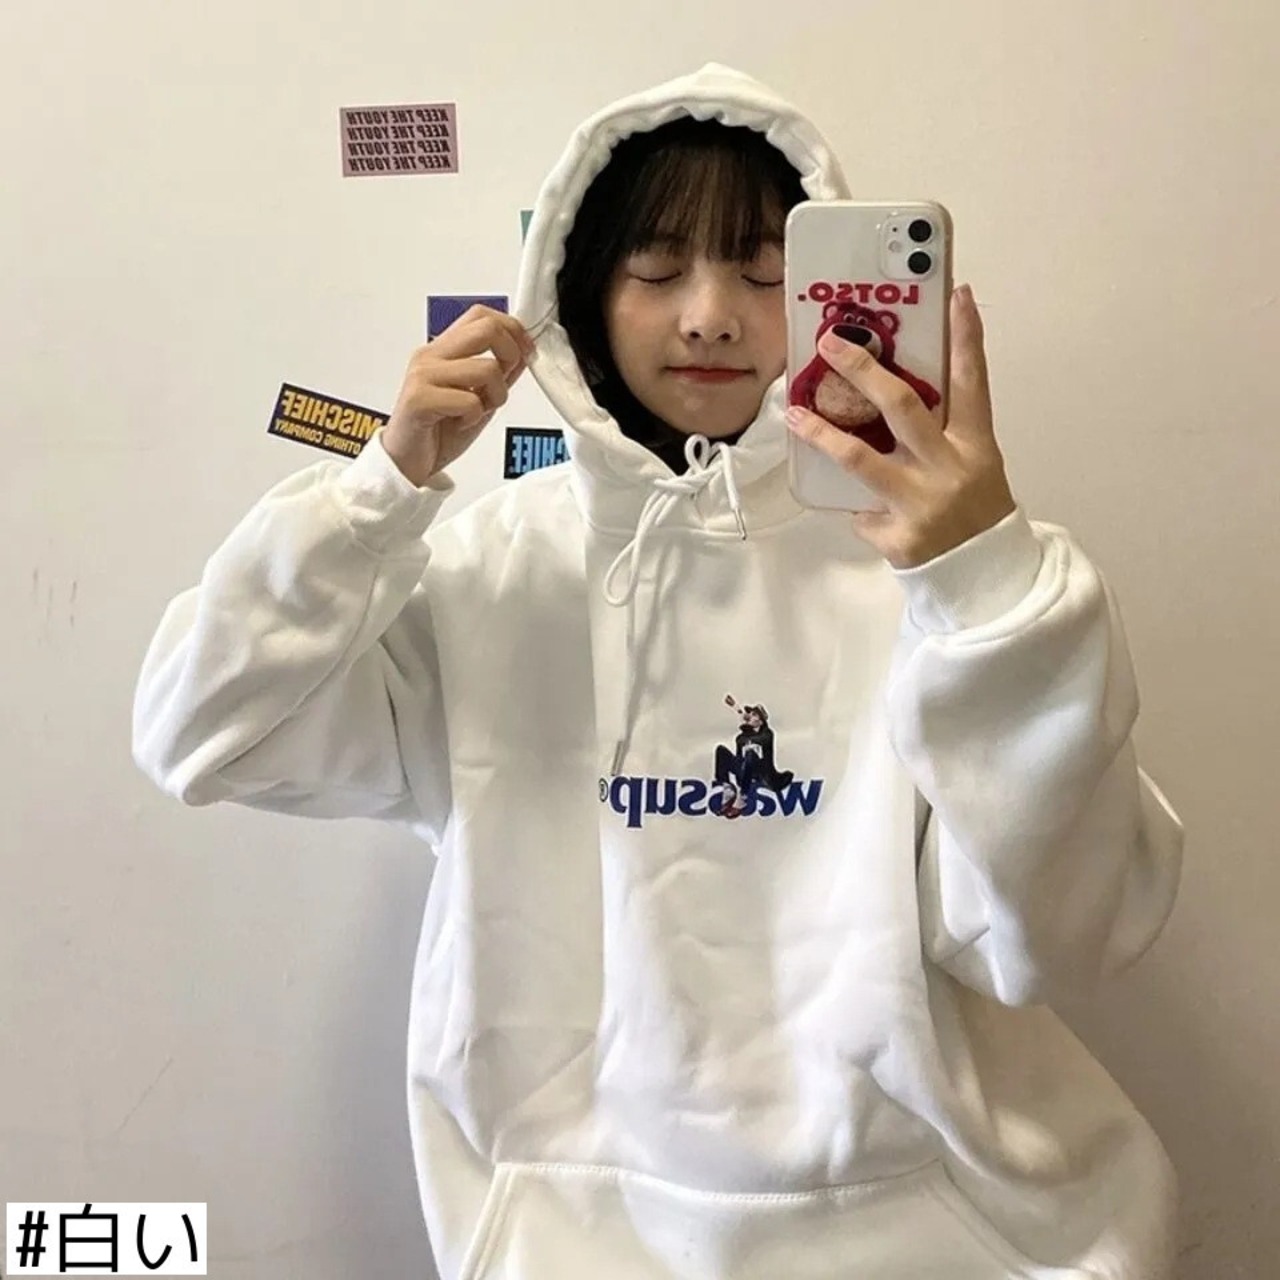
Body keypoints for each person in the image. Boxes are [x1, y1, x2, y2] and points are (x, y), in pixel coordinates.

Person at [133, 62, 1185, 1280]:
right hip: (570, 1238)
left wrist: (987, 582)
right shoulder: (492, 565)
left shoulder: (929, 573)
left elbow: (1064, 935)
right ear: (580, 291)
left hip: (943, 1236)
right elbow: (199, 731)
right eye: (655, 267)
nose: (709, 315)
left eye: (763, 270)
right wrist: (378, 491)